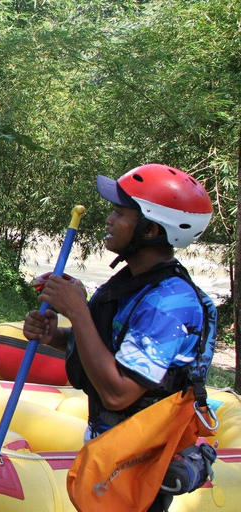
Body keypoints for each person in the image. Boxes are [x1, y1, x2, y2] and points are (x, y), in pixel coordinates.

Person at [23, 164, 217, 512]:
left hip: (137, 469)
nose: (109, 220)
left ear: (150, 230)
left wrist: (78, 310)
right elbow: (110, 350)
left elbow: (117, 393)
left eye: (119, 213)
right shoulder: (133, 284)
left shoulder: (171, 303)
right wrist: (57, 335)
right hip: (109, 453)